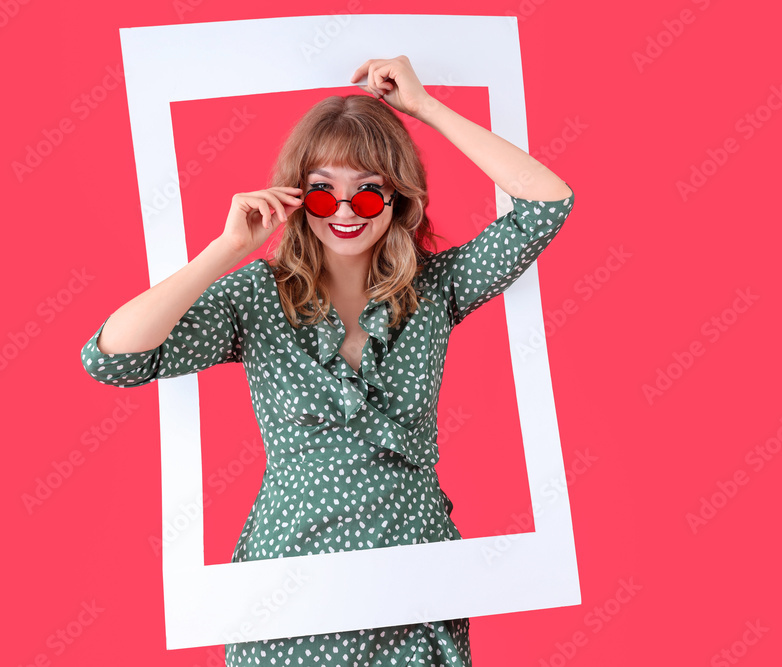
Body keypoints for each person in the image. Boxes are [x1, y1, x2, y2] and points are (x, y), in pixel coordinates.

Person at [80, 55, 575, 666]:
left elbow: (547, 204)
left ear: (397, 200)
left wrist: (422, 107)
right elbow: (113, 359)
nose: (345, 213)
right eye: (323, 193)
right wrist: (226, 248)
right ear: (297, 196)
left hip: (415, 579)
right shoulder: (256, 298)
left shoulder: (435, 288)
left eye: (368, 195)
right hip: (289, 587)